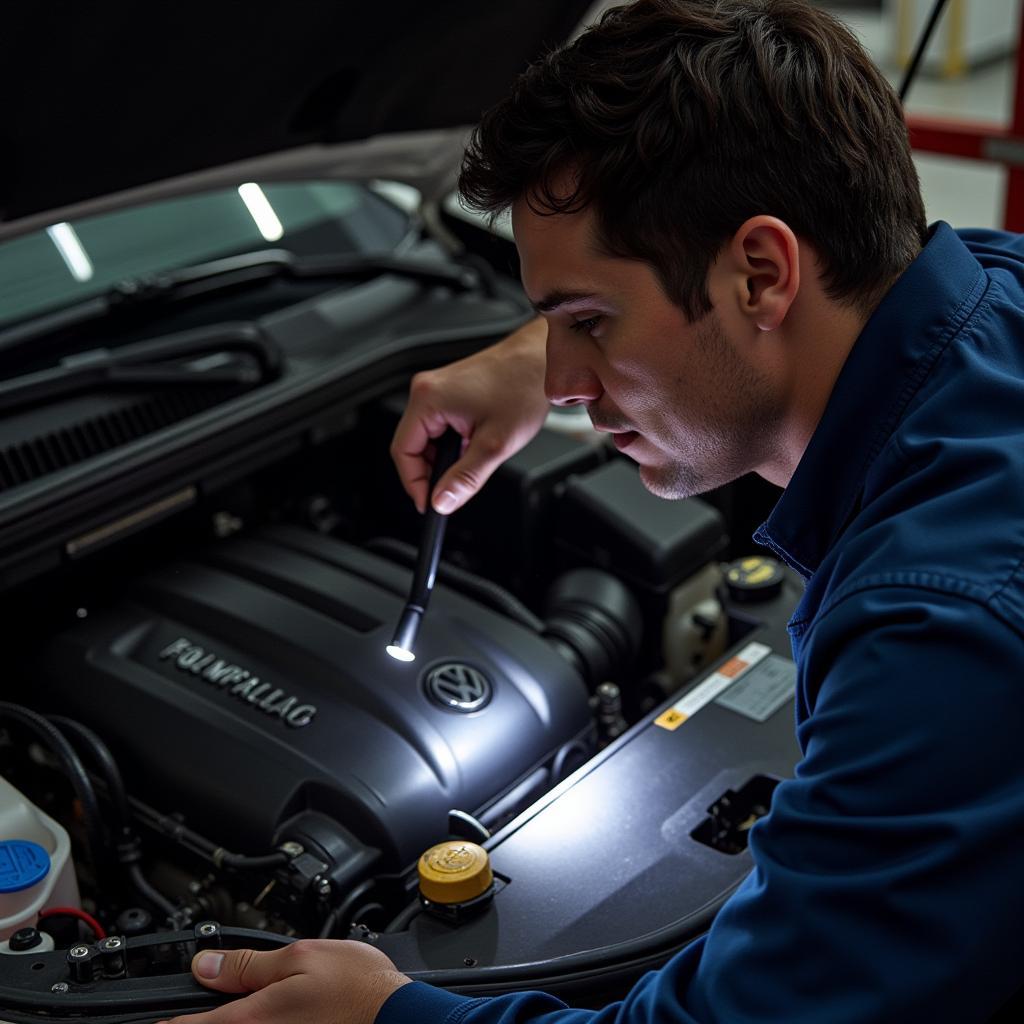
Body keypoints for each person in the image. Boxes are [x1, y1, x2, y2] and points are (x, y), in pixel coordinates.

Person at [159, 1, 1024, 1022]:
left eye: (588, 320)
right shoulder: (988, 288)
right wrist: (542, 356)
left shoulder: (938, 628)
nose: (568, 378)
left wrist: (384, 1015)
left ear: (760, 272)